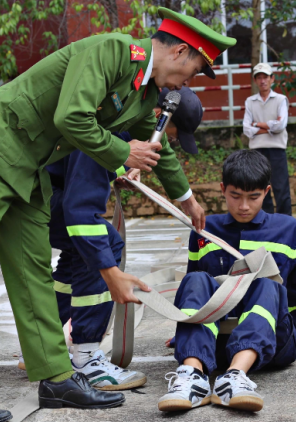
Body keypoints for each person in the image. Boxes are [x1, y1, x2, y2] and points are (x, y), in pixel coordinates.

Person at [0, 7, 235, 421]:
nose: (190, 81)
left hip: (27, 165)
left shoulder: (144, 92)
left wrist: (187, 199)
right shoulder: (111, 52)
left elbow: (154, 146)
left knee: (34, 273)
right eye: (195, 71)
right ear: (180, 51)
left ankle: (55, 378)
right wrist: (121, 152)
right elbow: (71, 117)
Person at [43, 87, 205, 391]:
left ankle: (46, 345)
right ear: (157, 117)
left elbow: (80, 166)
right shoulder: (110, 124)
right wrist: (108, 268)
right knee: (102, 246)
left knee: (76, 253)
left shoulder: (117, 122)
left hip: (43, 187)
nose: (168, 143)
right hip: (41, 195)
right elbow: (80, 201)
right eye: (171, 135)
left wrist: (118, 169)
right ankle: (87, 358)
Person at [157, 150, 296, 412]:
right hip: (217, 345)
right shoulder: (204, 229)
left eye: (253, 197)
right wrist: (185, 333)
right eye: (235, 196)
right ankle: (192, 375)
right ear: (222, 189)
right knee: (196, 277)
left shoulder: (287, 229)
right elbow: (194, 291)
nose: (244, 206)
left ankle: (235, 377)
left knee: (268, 283)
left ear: (266, 192)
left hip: (272, 347)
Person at [243, 63, 292, 216]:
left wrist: (257, 124)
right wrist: (270, 126)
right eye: (259, 77)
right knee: (261, 188)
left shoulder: (281, 99)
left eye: (265, 77)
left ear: (272, 79)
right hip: (257, 151)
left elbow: (281, 125)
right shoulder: (250, 101)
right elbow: (246, 129)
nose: (262, 81)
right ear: (255, 80)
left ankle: (285, 222)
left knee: (281, 188)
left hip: (277, 149)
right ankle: (265, 222)